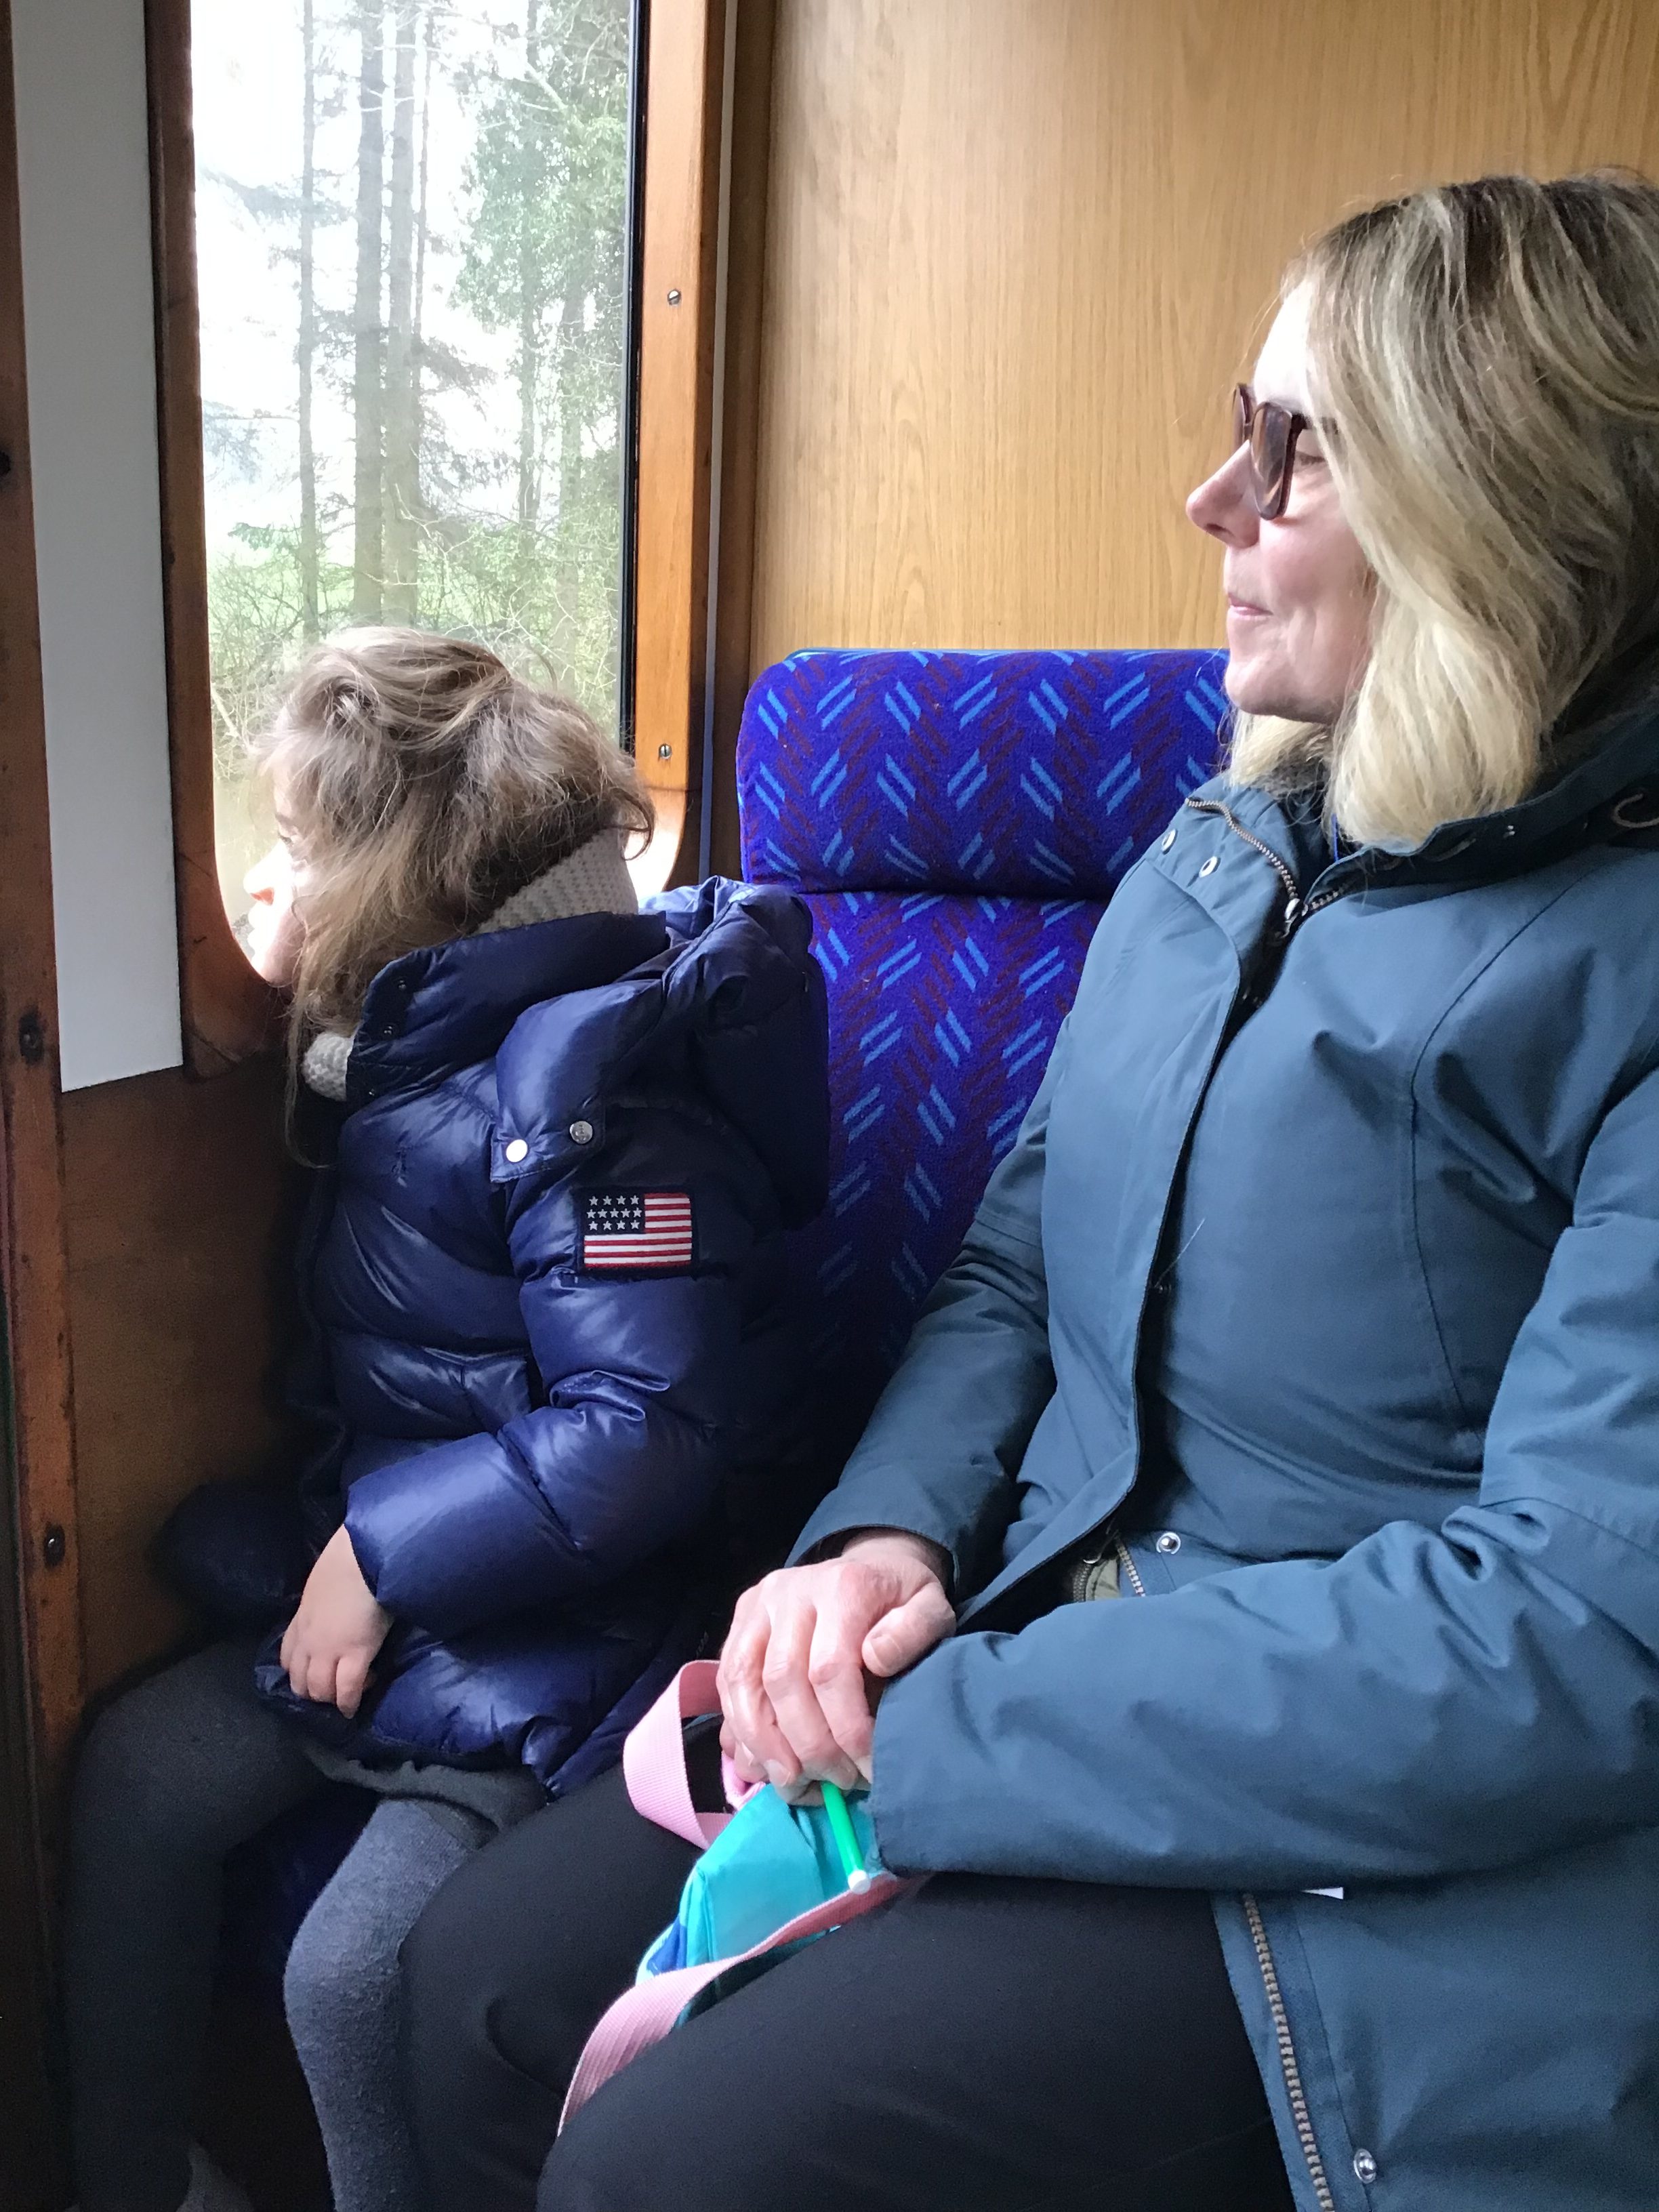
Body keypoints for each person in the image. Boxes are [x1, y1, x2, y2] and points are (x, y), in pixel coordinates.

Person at [404, 169, 1659, 2212]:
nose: (1211, 499)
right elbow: (1014, 1266)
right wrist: (879, 1538)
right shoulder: (1217, 859)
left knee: (679, 2170)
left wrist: (953, 1728)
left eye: (1295, 447)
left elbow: (1576, 1637)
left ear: (1497, 508)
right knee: (472, 1991)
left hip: (1370, 1859)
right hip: (1028, 1628)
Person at [62, 628, 830, 2212]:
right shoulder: (415, 1054)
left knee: (352, 1975)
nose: (270, 877)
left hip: (588, 1619)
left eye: (300, 843)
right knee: (140, 1778)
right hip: (438, 1581)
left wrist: (378, 1558)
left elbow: (644, 1433)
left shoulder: (611, 1103)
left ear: (397, 878)